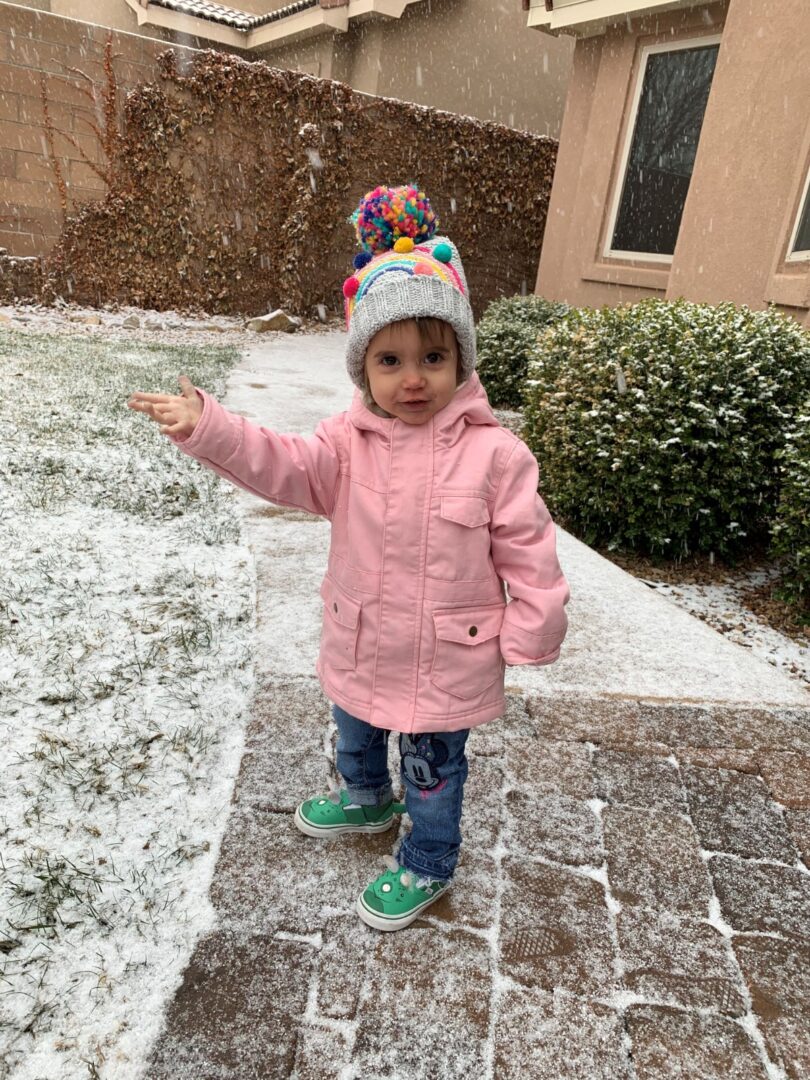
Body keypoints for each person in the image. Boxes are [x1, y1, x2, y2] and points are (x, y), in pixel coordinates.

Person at [127, 185, 570, 932]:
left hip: (446, 655)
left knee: (432, 770)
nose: (413, 378)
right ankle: (366, 798)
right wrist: (212, 427)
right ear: (362, 368)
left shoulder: (497, 455)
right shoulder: (345, 445)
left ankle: (428, 859)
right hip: (364, 634)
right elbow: (281, 464)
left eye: (433, 356)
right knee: (356, 727)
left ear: (460, 359)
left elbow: (530, 550)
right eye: (390, 359)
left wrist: (534, 627)